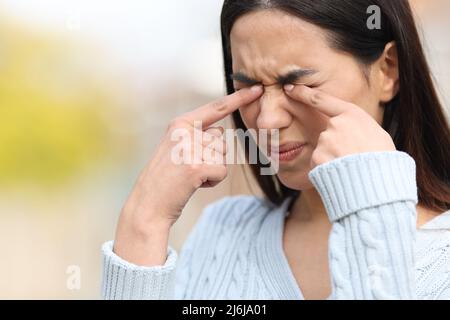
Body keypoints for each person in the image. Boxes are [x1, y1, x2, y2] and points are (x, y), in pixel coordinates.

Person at [101, 0, 450, 299]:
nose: (266, 122)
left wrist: (370, 207)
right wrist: (143, 222)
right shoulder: (223, 232)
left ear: (387, 71)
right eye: (248, 87)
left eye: (299, 84)